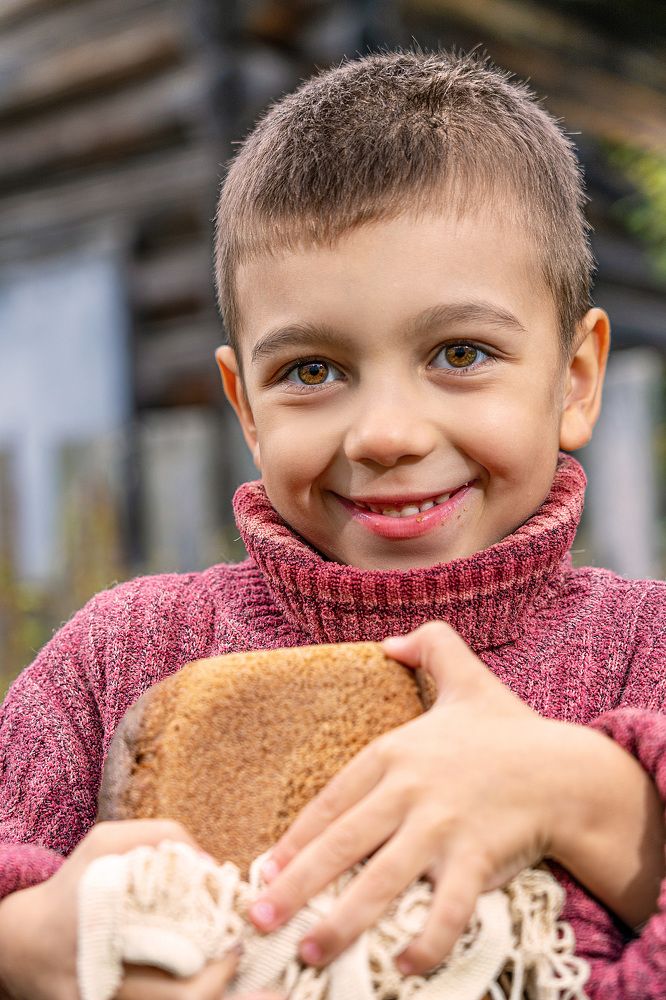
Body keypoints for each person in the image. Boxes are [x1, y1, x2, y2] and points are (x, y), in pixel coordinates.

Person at [0, 46, 664, 1000]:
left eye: (461, 352)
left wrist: (584, 795)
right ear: (245, 406)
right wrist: (27, 948)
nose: (387, 434)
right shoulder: (118, 658)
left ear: (575, 379)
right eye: (312, 371)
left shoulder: (647, 651)